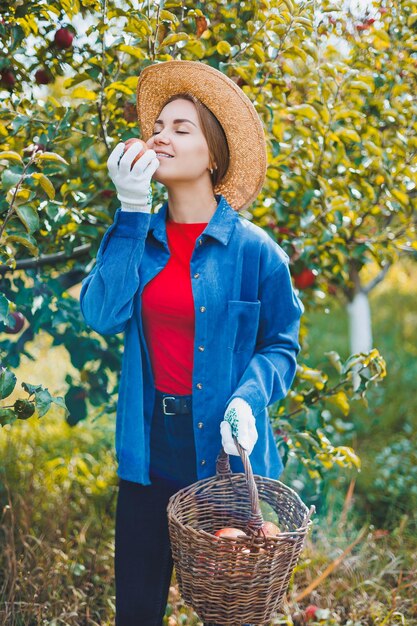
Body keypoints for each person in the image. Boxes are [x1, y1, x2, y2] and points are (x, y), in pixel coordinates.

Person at [79, 60, 303, 626]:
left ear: (215, 153)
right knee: (135, 608)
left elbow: (281, 346)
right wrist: (130, 211)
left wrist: (249, 399)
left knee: (232, 611)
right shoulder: (140, 239)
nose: (160, 136)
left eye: (182, 128)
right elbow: (101, 315)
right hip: (150, 449)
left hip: (228, 454)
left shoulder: (257, 252)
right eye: (158, 126)